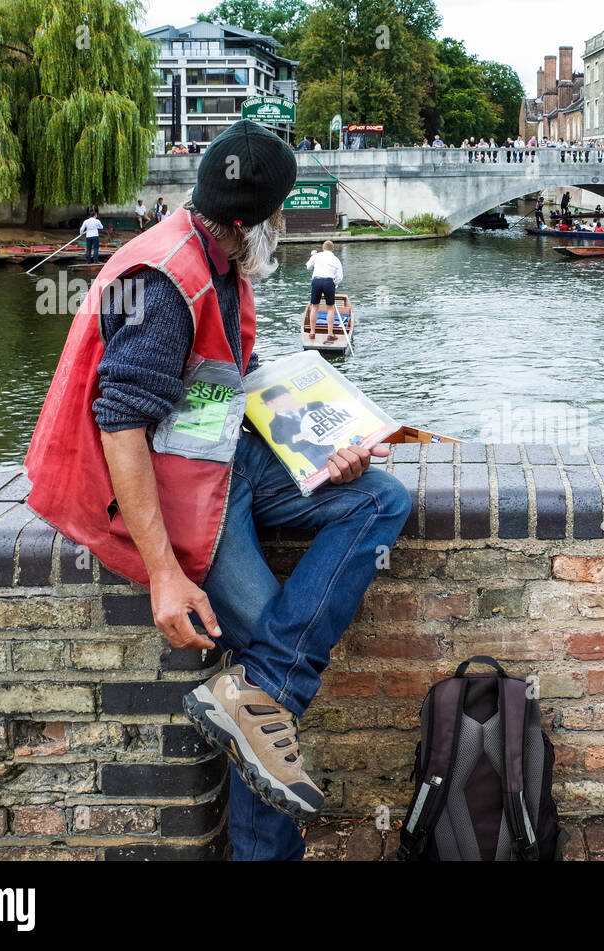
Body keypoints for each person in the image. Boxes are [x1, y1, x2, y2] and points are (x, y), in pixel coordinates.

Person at [22, 119, 411, 862]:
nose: (284, 227)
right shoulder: (167, 283)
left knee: (380, 499)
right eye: (280, 214)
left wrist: (321, 452)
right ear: (252, 222)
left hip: (221, 463)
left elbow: (227, 384)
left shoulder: (213, 257)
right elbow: (120, 423)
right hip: (172, 491)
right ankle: (264, 811)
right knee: (273, 654)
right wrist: (166, 573)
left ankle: (253, 695)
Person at [305, 239, 345, 344]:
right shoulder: (336, 259)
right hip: (328, 282)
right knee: (330, 309)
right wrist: (334, 284)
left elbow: (308, 267)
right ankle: (330, 334)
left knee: (314, 307)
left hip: (317, 281)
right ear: (333, 249)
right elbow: (339, 277)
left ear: (323, 248)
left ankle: (312, 332)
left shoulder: (317, 256)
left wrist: (312, 256)